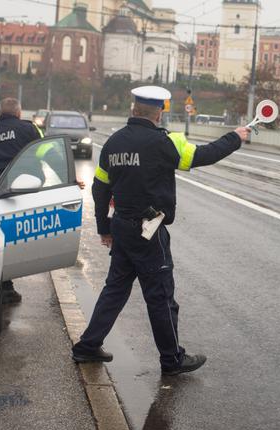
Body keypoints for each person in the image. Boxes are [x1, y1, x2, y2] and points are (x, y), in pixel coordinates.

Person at [71, 85, 251, 376]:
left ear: (133, 109)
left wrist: (105, 228)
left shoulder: (114, 143)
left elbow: (100, 187)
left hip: (122, 227)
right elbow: (203, 155)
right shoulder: (165, 142)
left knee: (115, 290)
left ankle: (87, 346)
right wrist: (236, 137)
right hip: (148, 230)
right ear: (160, 112)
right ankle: (172, 359)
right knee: (160, 296)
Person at [0, 98, 44, 304]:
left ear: (0, 114)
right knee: (18, 238)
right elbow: (46, 150)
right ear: (18, 113)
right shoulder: (29, 129)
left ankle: (3, 286)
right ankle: (5, 288)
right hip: (22, 190)